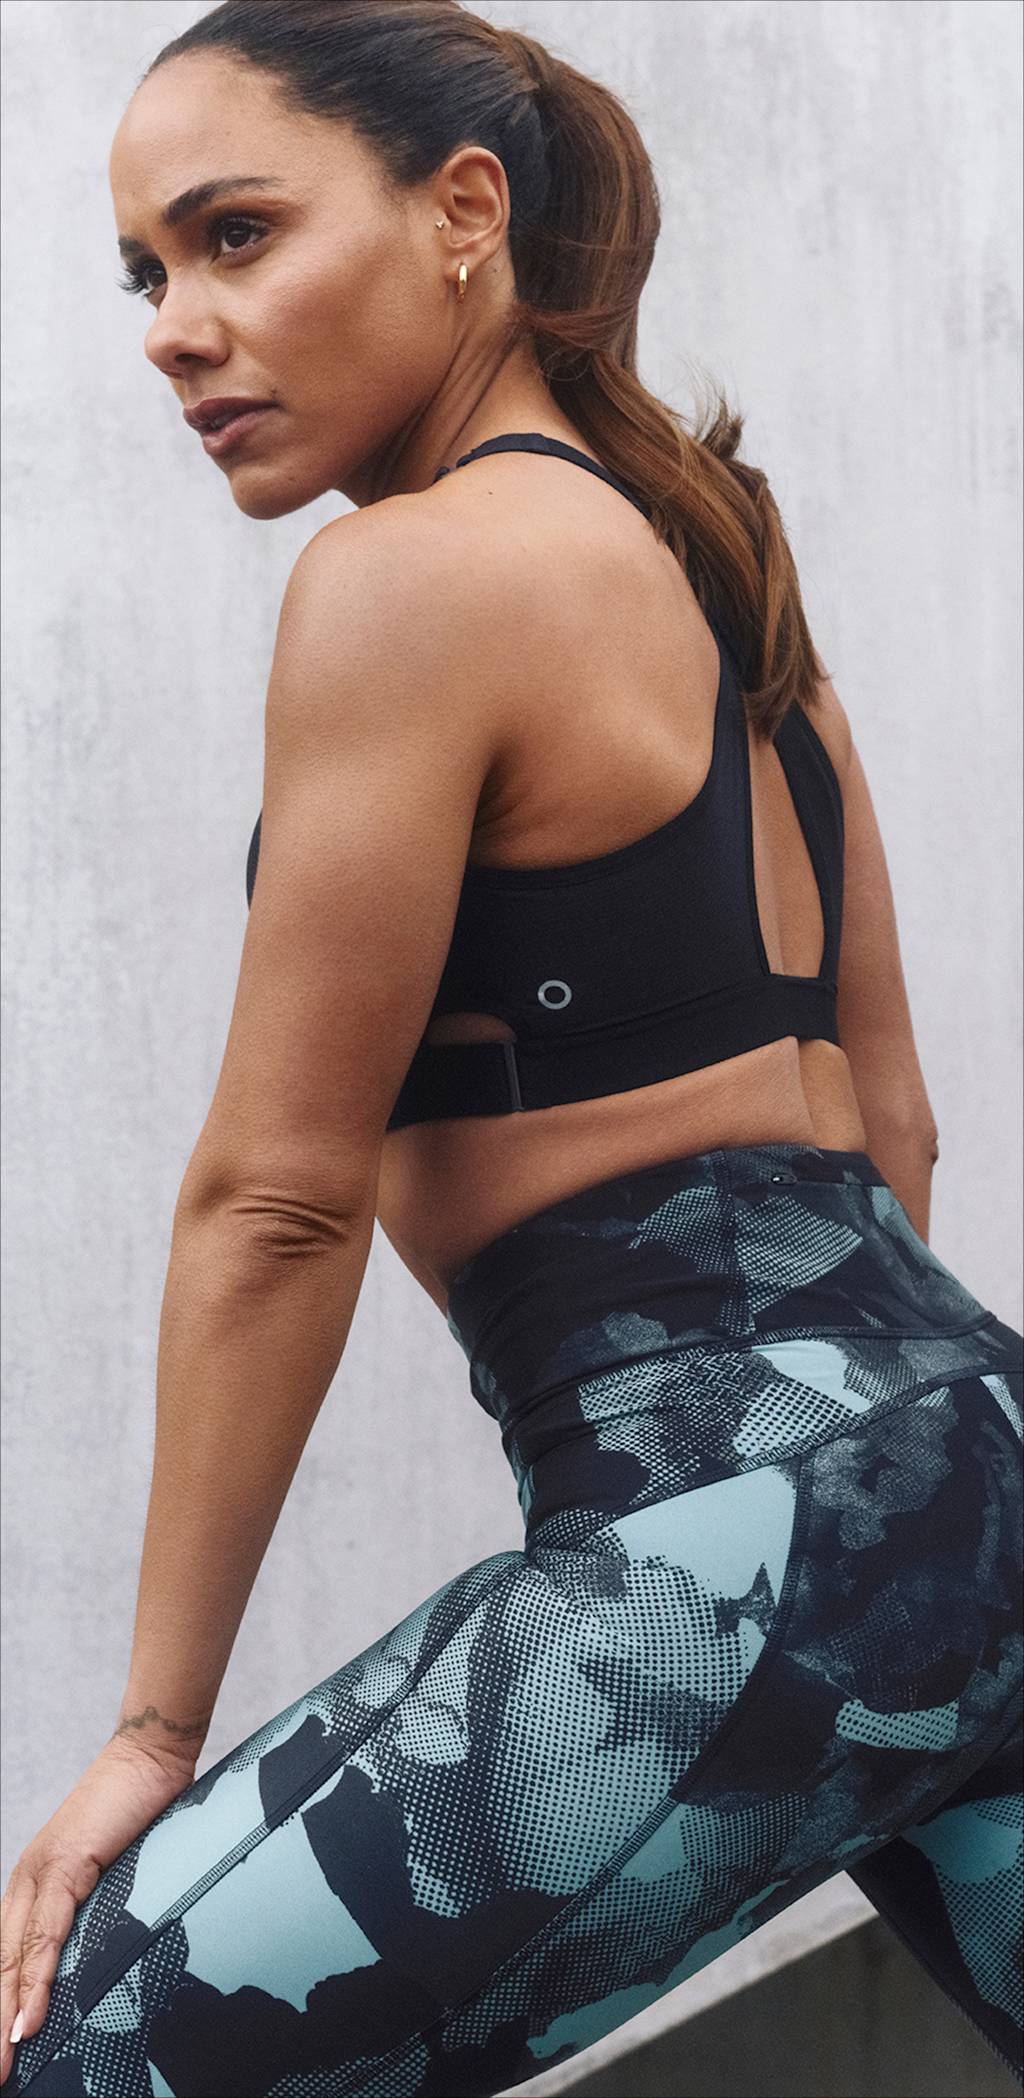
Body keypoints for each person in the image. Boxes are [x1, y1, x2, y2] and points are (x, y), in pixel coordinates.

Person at [2, 1, 1021, 2091]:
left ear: (462, 211)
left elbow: (276, 1202)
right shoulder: (728, 577)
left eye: (235, 234)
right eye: (146, 273)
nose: (175, 329)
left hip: (738, 1512)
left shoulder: (406, 581)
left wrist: (151, 1736)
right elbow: (890, 1121)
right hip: (977, 1464)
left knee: (98, 2055)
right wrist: (875, 1531)